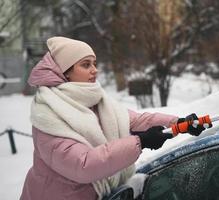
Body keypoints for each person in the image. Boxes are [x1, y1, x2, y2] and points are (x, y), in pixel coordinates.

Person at [20, 36, 208, 200]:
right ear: (65, 72)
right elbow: (83, 165)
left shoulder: (94, 100)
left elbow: (135, 121)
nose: (94, 70)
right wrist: (140, 142)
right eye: (86, 65)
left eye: (94, 63)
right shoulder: (48, 112)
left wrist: (178, 124)